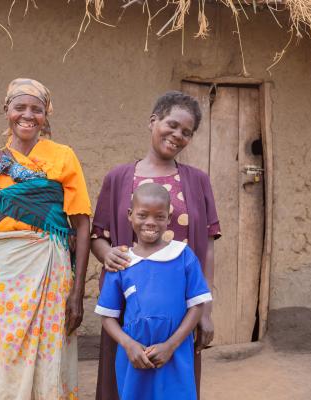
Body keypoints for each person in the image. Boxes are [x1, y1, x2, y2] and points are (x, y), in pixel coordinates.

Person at [0, 78, 91, 400]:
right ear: (7, 110)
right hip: (5, 275)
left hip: (53, 270)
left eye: (37, 109)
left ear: (46, 115)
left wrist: (78, 294)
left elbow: (82, 224)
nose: (27, 115)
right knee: (6, 353)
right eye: (20, 107)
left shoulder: (63, 157)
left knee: (51, 356)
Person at [91, 91, 221, 399]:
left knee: (175, 384)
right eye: (172, 125)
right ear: (154, 122)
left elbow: (209, 246)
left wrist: (205, 310)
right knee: (124, 382)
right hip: (129, 307)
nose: (178, 135)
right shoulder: (119, 177)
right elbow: (99, 236)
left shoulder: (197, 180)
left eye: (187, 132)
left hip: (178, 311)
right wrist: (108, 254)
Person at [95, 183, 212, 400]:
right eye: (142, 215)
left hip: (175, 352)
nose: (150, 222)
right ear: (130, 215)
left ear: (168, 218)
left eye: (159, 216)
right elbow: (107, 317)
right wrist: (128, 344)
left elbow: (196, 306)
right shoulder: (122, 261)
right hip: (135, 355)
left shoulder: (183, 255)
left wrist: (171, 345)